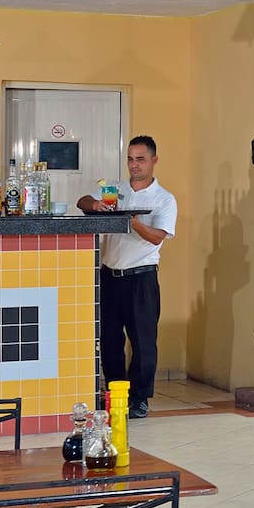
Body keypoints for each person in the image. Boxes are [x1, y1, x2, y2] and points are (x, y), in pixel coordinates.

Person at [78, 136, 177, 418]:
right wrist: (96, 205)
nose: (134, 165)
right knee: (109, 340)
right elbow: (82, 200)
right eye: (130, 159)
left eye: (140, 159)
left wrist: (131, 222)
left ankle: (140, 398)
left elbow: (157, 237)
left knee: (143, 342)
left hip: (141, 277)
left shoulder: (164, 199)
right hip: (110, 275)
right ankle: (115, 394)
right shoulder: (115, 190)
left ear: (154, 160)